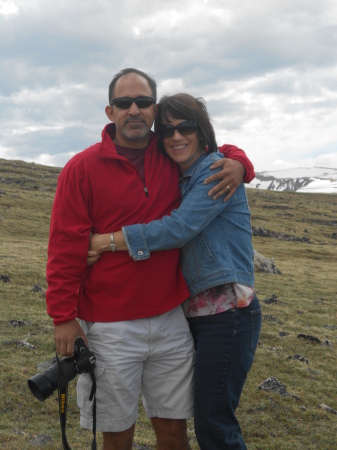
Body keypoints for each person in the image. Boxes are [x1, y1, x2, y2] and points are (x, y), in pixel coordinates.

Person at [46, 68, 256, 450]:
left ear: (152, 108)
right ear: (110, 111)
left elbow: (212, 157)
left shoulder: (170, 156)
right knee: (117, 433)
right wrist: (63, 317)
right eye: (124, 103)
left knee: (177, 430)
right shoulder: (82, 168)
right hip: (109, 324)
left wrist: (241, 162)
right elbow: (63, 246)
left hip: (171, 320)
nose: (134, 110)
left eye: (143, 102)